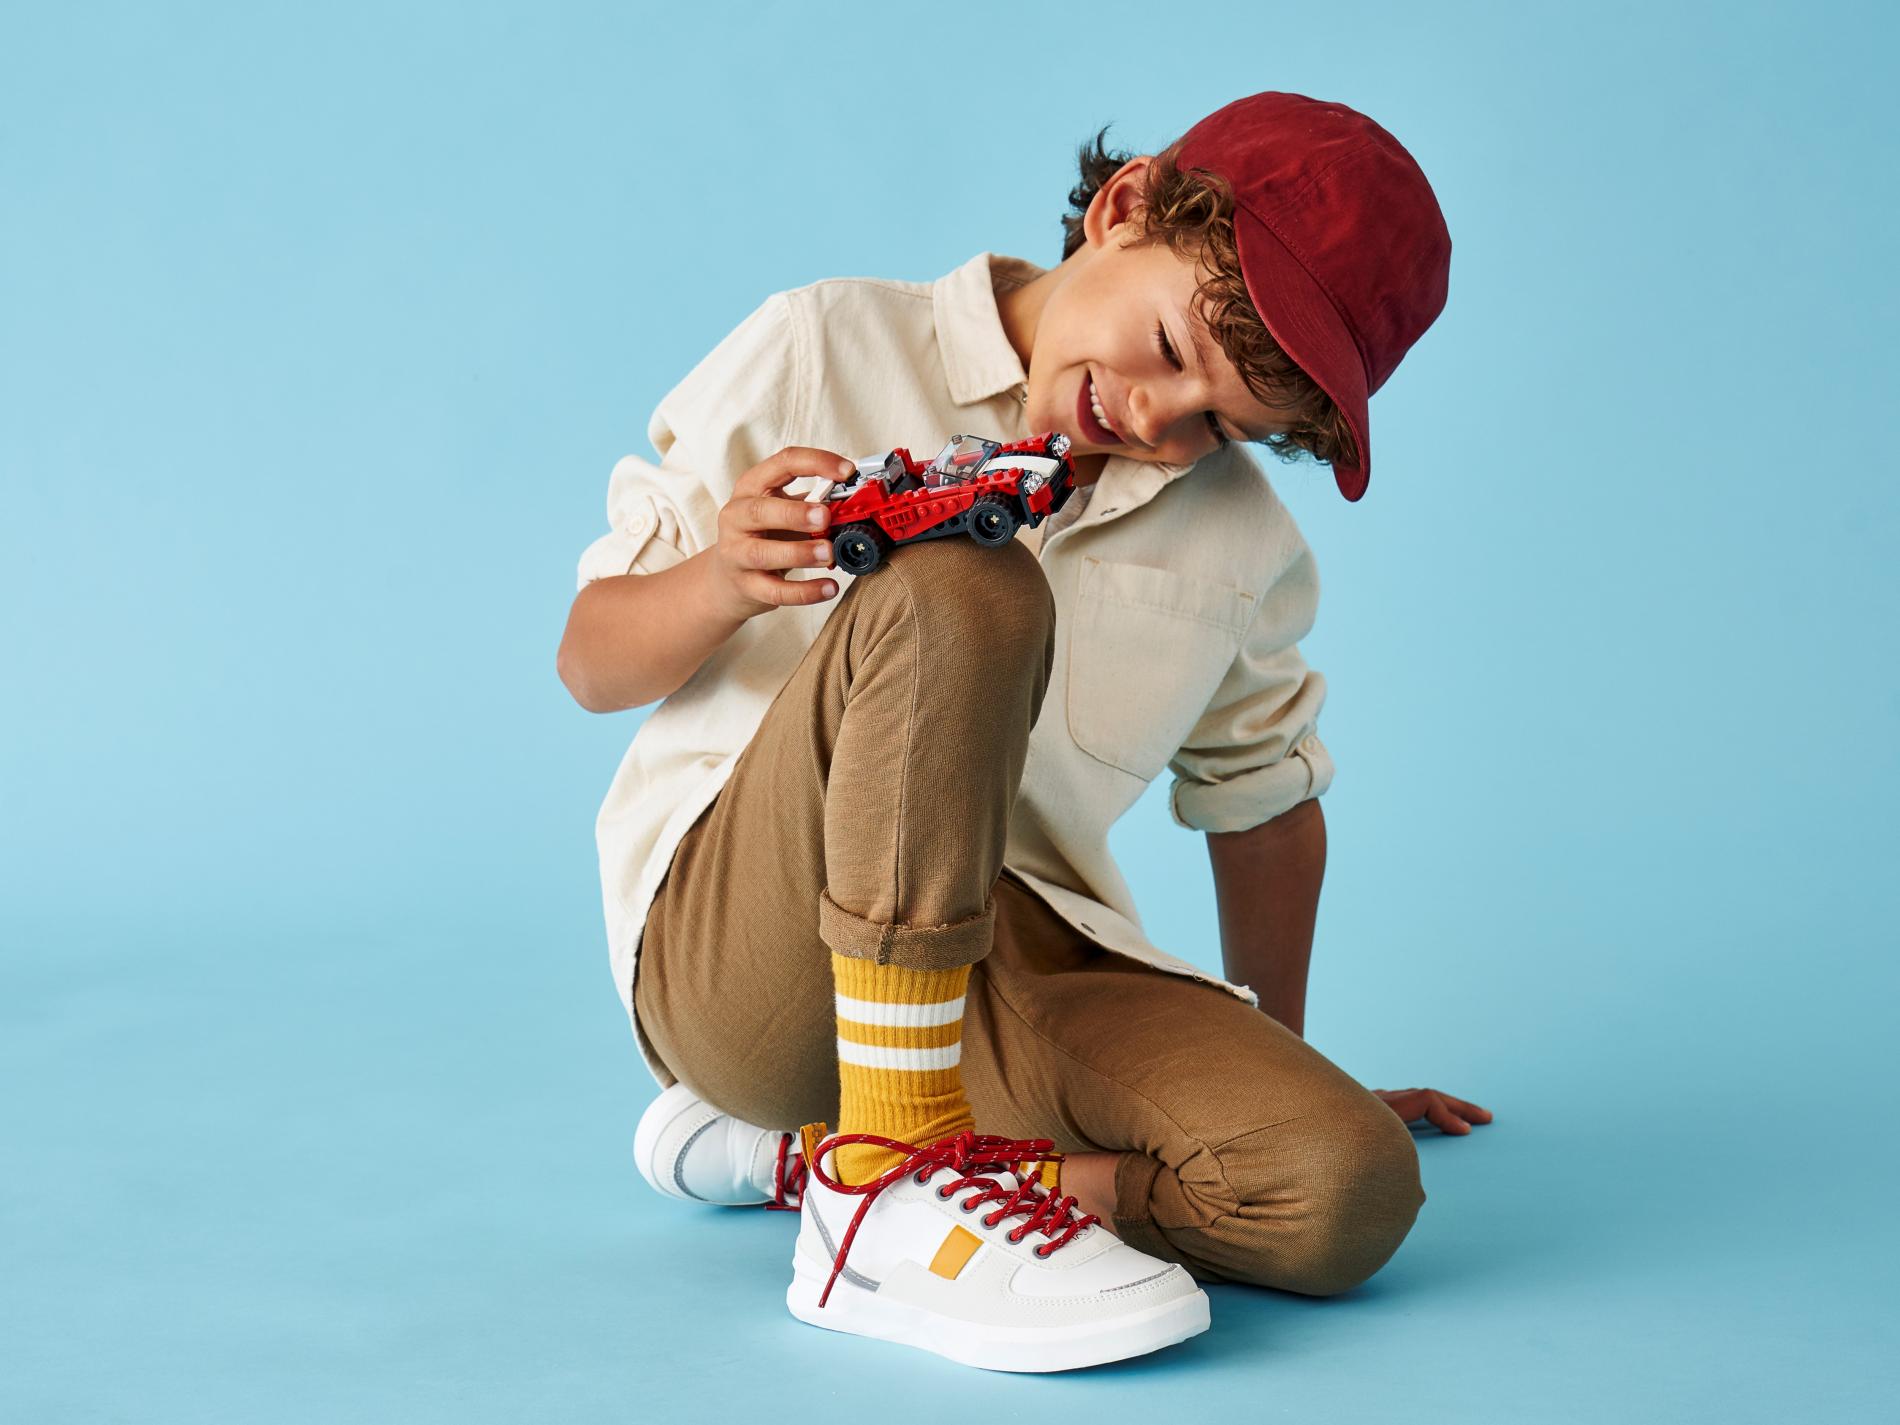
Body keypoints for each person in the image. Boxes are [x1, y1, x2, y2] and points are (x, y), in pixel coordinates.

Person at [557, 90, 1491, 1372]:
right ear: (1124, 208)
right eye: (1167, 346)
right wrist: (721, 579)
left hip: (1008, 956)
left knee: (1339, 1184)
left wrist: (1273, 1066)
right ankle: (878, 1191)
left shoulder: (1239, 540)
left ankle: (809, 1165)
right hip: (749, 958)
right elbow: (589, 662)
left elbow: (1264, 802)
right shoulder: (826, 339)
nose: (1159, 420)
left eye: (1220, 423)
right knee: (965, 583)